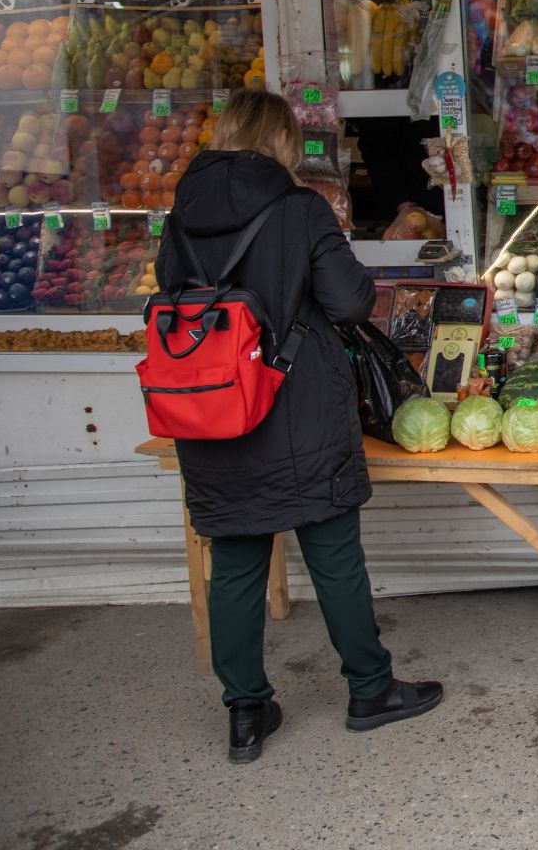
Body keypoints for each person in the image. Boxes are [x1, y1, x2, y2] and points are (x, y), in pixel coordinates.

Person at [157, 90, 442, 763]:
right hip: (295, 403)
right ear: (283, 143)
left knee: (234, 563)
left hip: (211, 403)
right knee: (334, 556)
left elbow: (176, 296)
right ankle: (370, 691)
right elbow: (349, 299)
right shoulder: (298, 209)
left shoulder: (181, 214)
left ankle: (246, 712)